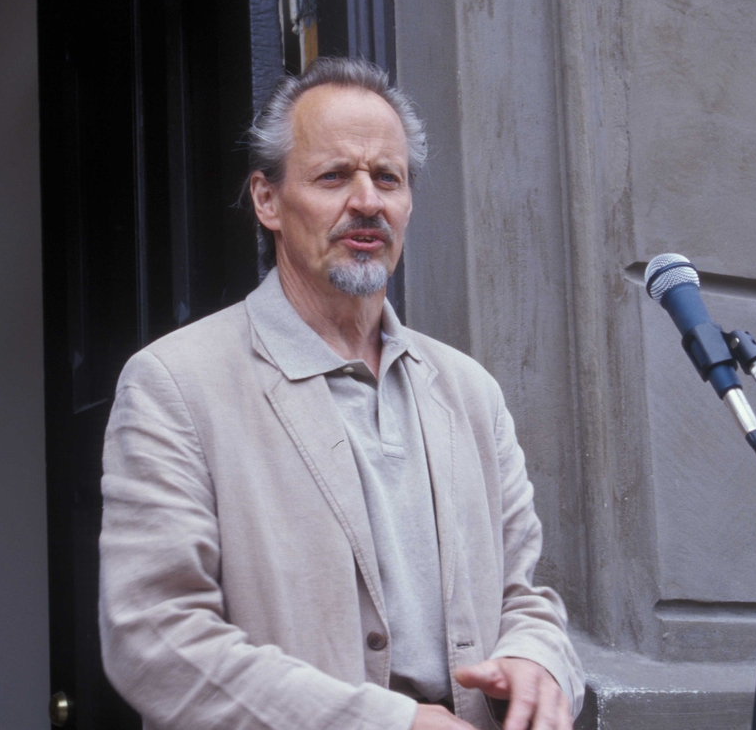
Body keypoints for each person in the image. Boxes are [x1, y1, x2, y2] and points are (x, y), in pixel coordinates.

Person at [98, 57, 583, 730]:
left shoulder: (472, 392)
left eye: (389, 177)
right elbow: (154, 638)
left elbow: (528, 597)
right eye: (334, 176)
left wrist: (538, 661)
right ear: (266, 200)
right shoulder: (176, 383)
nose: (368, 201)